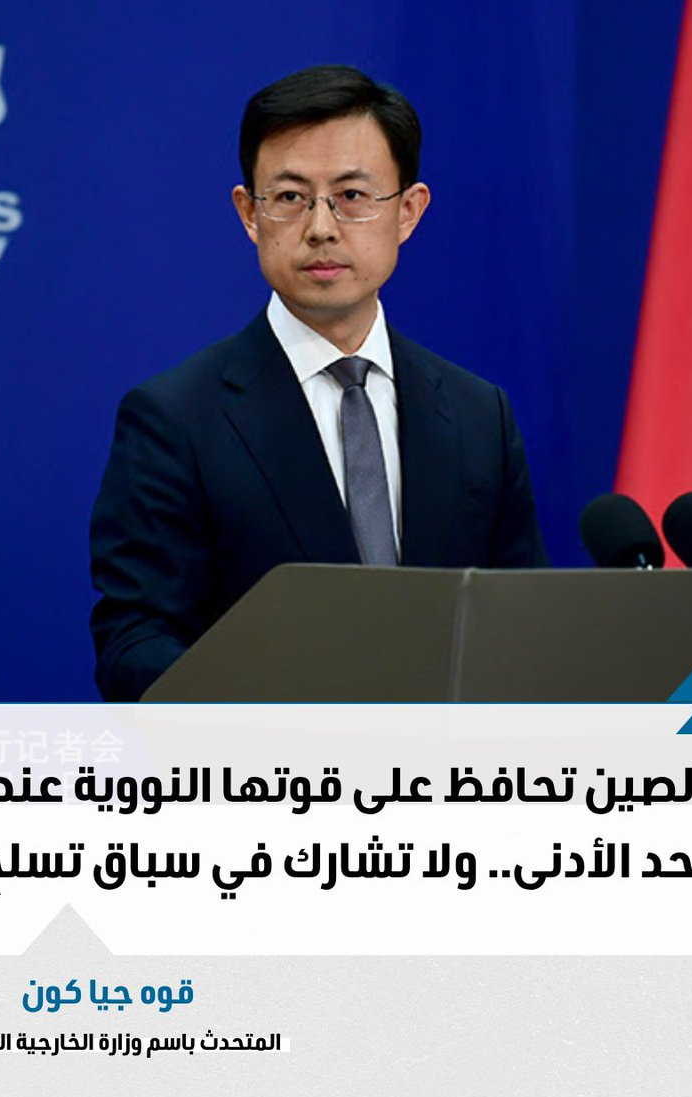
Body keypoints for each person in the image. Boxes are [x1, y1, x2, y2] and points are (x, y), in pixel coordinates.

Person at [90, 64, 547, 701]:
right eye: (290, 198)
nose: (321, 227)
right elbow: (135, 643)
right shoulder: (175, 419)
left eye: (352, 195)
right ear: (249, 214)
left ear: (408, 212)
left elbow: (524, 628)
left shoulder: (478, 416)